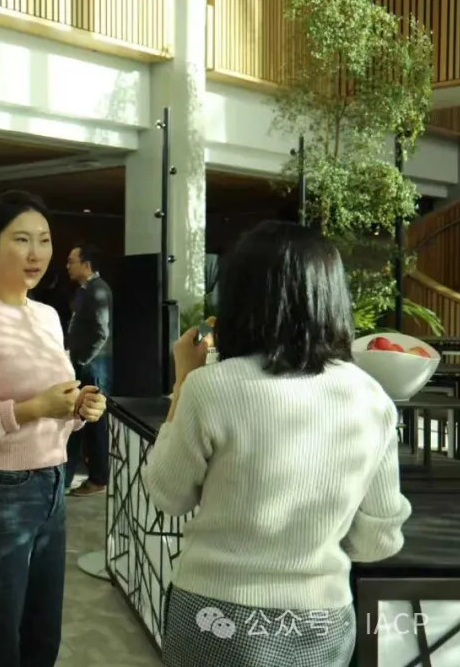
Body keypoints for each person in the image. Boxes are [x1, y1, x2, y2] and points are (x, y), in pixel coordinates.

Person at [144, 221, 412, 667]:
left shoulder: (211, 387)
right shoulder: (371, 398)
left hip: (215, 613)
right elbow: (379, 541)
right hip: (320, 622)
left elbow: (167, 494)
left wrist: (183, 379)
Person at [0, 190, 107, 667]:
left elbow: (54, 398)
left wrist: (76, 409)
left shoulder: (48, 316)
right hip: (0, 491)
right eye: (21, 240)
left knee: (41, 636)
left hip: (53, 481)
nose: (36, 253)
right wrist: (30, 409)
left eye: (45, 241)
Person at [63, 243, 113, 495]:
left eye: (72, 261)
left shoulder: (98, 290)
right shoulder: (87, 290)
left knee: (95, 422)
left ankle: (98, 478)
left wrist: (83, 359)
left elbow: (102, 332)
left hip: (93, 366)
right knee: (82, 419)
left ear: (86, 264)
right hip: (86, 364)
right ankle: (78, 476)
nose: (67, 266)